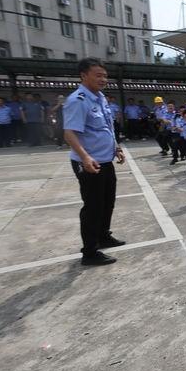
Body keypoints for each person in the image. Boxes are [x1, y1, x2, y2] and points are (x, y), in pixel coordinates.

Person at [63, 58, 126, 266]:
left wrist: (116, 147)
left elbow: (107, 127)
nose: (103, 79)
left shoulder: (99, 98)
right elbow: (69, 133)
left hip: (105, 158)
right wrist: (85, 157)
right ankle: (89, 251)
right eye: (98, 75)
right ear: (84, 76)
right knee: (92, 206)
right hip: (89, 162)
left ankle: (103, 236)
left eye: (105, 75)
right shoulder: (78, 100)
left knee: (108, 201)